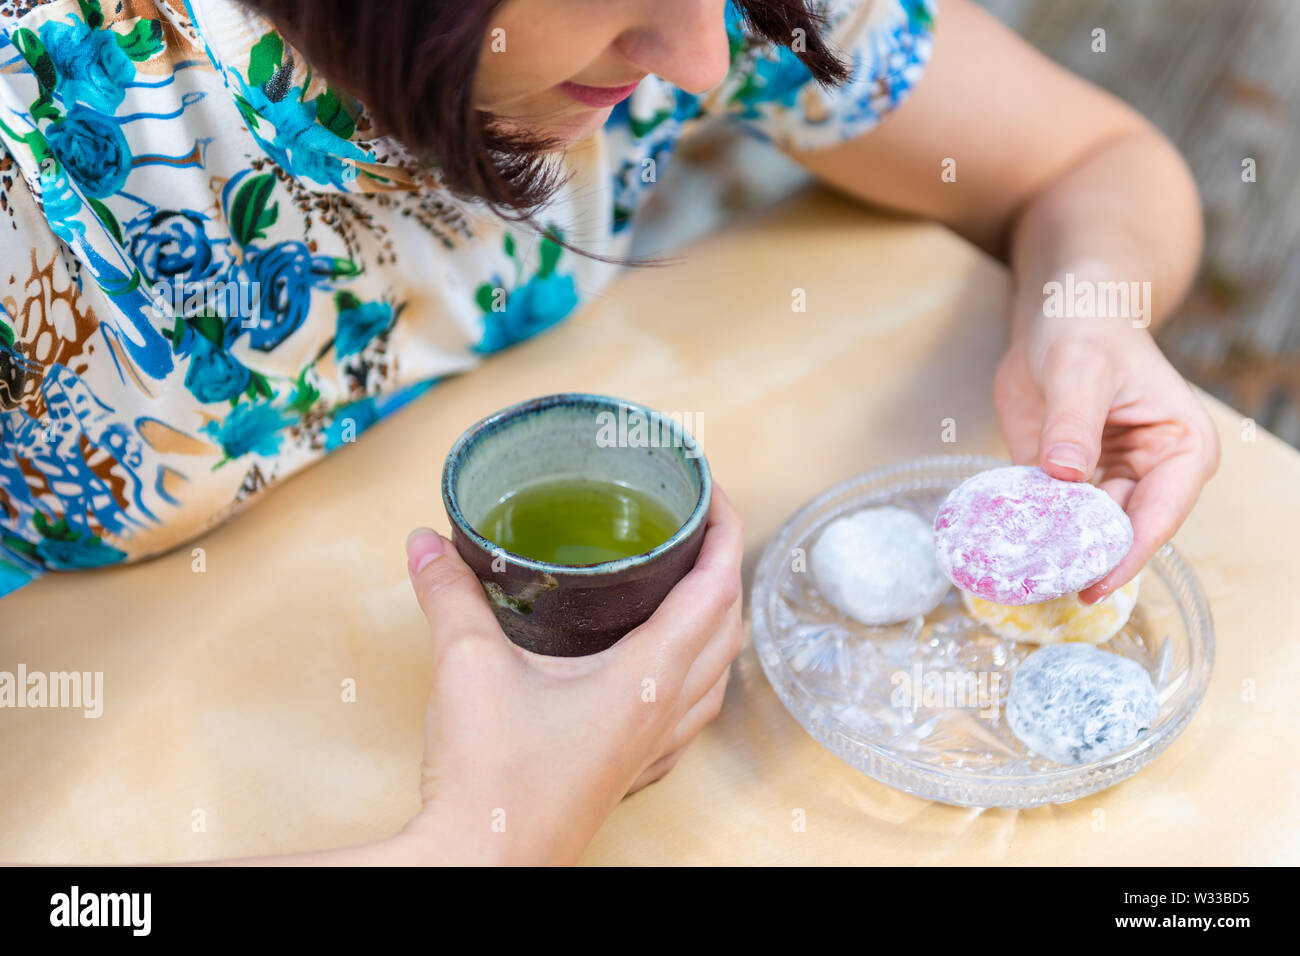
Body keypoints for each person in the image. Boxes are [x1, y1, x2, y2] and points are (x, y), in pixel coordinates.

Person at [0, 0, 1218, 864]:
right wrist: (497, 833)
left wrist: (1085, 319)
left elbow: (1094, 160)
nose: (698, 59)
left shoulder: (717, 14)